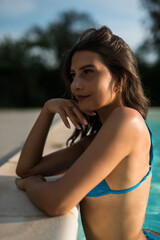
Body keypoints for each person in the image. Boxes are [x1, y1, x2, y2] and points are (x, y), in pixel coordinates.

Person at [16, 26, 160, 240]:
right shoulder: (98, 138)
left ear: (119, 79)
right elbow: (27, 168)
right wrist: (47, 110)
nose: (75, 85)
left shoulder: (127, 121)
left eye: (88, 72)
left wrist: (31, 184)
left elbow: (57, 202)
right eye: (73, 75)